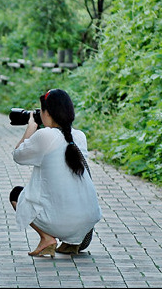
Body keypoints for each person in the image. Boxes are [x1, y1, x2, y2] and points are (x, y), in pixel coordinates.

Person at [10, 88, 102, 257]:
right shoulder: (79, 136)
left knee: (16, 194)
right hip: (88, 220)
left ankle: (47, 239)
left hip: (61, 222)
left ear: (47, 113)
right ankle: (69, 244)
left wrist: (32, 127)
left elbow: (18, 156)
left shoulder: (45, 135)